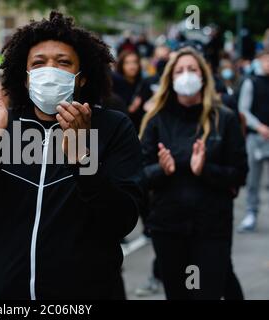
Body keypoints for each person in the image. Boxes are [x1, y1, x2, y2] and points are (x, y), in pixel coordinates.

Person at [0, 11, 145, 300]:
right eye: (39, 63)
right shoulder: (6, 124)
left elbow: (121, 220)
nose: (50, 69)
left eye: (64, 62)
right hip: (6, 296)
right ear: (27, 78)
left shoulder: (111, 127)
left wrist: (83, 159)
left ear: (81, 78)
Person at [139, 47, 248, 300]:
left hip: (211, 227)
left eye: (192, 69)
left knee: (205, 293)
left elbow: (239, 173)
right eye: (179, 70)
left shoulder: (224, 118)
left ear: (203, 76)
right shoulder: (156, 119)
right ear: (170, 78)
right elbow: (139, 173)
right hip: (168, 226)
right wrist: (162, 170)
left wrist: (205, 170)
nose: (186, 75)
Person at [237, 49, 269, 232]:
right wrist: (259, 127)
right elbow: (244, 110)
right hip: (256, 138)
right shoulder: (252, 82)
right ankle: (251, 213)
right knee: (253, 180)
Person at [112, 50, 143, 129]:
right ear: (121, 65)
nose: (132, 66)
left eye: (135, 62)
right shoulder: (116, 84)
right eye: (127, 63)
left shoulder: (143, 83)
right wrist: (131, 108)